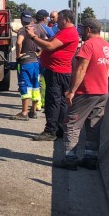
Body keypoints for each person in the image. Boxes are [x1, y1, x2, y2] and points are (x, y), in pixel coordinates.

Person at [57, 17, 109, 170]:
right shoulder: (107, 46)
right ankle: (90, 158)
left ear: (88, 30)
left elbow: (81, 69)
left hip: (86, 92)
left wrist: (72, 91)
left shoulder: (88, 45)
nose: (80, 32)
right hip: (103, 92)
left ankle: (70, 160)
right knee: (93, 126)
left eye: (81, 29)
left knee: (71, 125)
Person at [25, 9, 78, 141]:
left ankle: (50, 131)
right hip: (58, 71)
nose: (55, 21)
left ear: (66, 20)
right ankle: (59, 128)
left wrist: (33, 37)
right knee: (59, 102)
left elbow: (49, 46)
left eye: (59, 19)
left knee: (53, 102)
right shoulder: (64, 32)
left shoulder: (68, 32)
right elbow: (49, 42)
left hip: (57, 72)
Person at [12, 11, 46, 120]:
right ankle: (33, 111)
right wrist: (39, 53)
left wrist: (18, 55)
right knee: (36, 86)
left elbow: (18, 42)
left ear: (22, 20)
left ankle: (24, 112)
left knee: (25, 86)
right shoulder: (39, 29)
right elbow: (45, 42)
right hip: (36, 62)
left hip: (25, 62)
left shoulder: (23, 29)